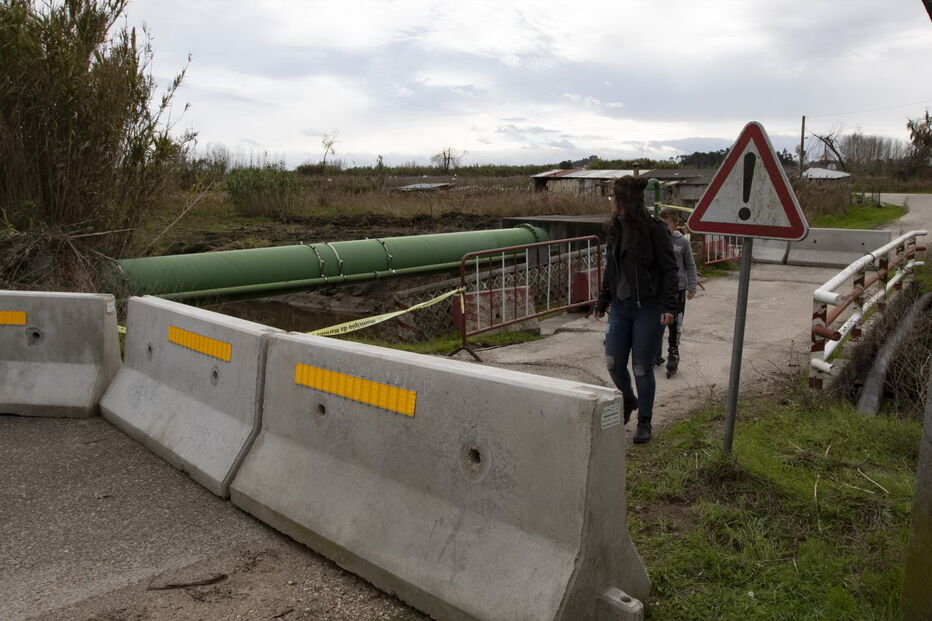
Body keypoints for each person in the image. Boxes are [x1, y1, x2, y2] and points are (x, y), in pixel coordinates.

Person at [594, 177, 679, 444]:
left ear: (624, 201)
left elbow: (669, 269)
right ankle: (629, 399)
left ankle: (645, 421)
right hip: (621, 308)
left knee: (642, 367)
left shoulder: (655, 230)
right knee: (614, 363)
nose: (611, 203)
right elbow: (612, 267)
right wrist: (603, 298)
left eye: (613, 198)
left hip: (649, 309)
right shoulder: (615, 229)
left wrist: (668, 306)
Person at [654, 207, 698, 378]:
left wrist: (691, 286)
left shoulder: (682, 243)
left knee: (675, 325)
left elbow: (690, 265)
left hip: (678, 290)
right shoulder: (656, 241)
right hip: (659, 289)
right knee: (657, 322)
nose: (663, 229)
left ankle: (673, 352)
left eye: (666, 225)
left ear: (675, 225)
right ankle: (655, 353)